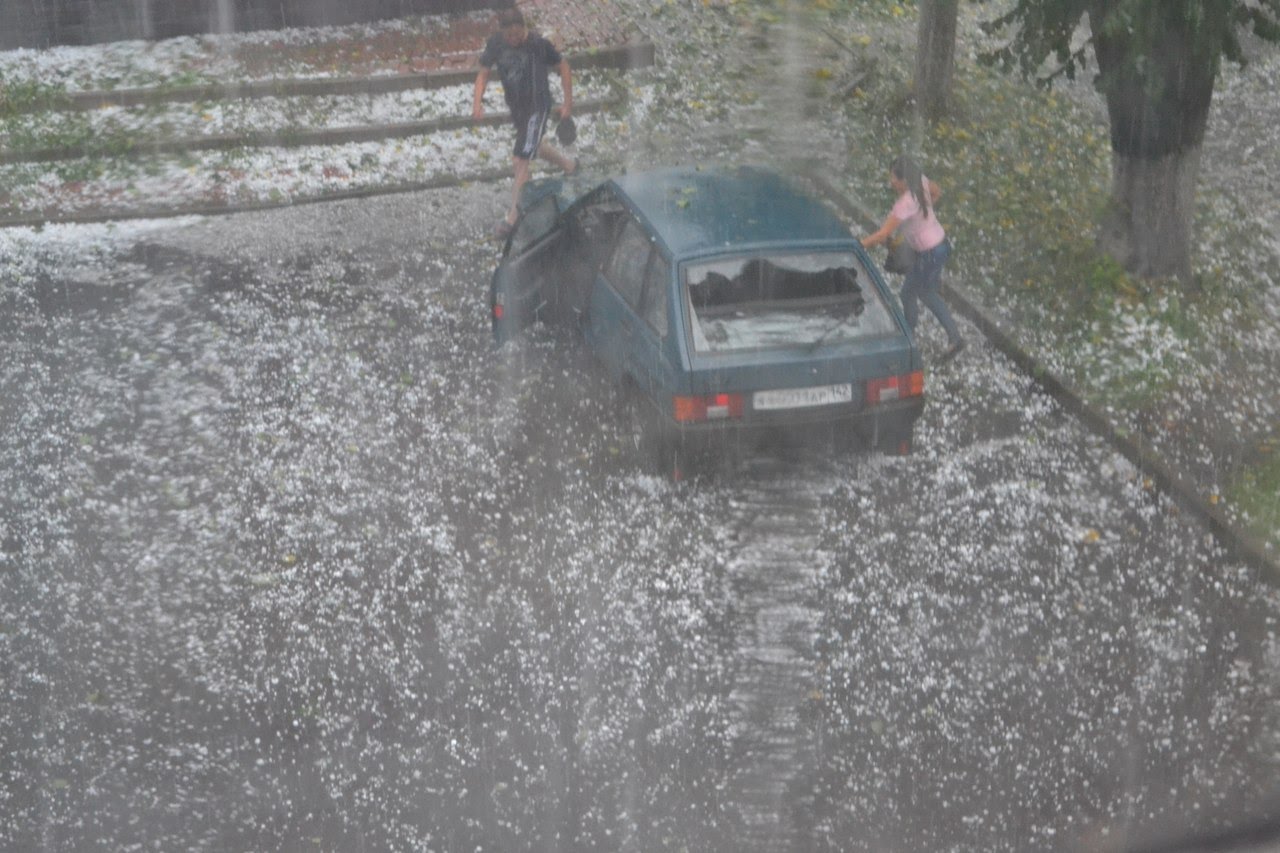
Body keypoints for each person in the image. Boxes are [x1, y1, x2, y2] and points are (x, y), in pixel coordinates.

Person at [472, 9, 576, 238]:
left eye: (518, 34)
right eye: (510, 36)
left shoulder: (538, 43)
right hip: (518, 109)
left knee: (520, 158)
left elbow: (564, 66)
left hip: (537, 108)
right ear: (502, 33)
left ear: (524, 28)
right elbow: (483, 73)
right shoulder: (496, 44)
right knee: (534, 146)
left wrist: (568, 104)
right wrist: (477, 103)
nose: (514, 40)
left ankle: (513, 217)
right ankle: (569, 166)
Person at [860, 155, 966, 362]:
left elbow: (883, 234)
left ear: (904, 180)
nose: (891, 181)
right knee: (926, 292)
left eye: (893, 178)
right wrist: (921, 219)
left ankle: (908, 335)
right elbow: (937, 192)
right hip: (942, 245)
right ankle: (953, 337)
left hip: (929, 253)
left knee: (910, 292)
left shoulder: (904, 204)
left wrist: (860, 244)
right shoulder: (922, 183)